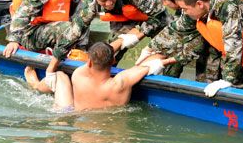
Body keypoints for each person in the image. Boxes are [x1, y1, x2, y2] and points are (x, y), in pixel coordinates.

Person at [24, 42, 165, 112]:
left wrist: (122, 40)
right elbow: (149, 65)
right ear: (113, 61)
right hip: (109, 124)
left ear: (89, 62)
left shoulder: (79, 75)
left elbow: (95, 59)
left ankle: (36, 85)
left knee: (59, 76)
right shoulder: (121, 83)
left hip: (68, 114)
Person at [135, 0, 214, 81]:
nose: (163, 4)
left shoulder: (196, 6)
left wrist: (154, 51)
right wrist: (149, 48)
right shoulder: (186, 8)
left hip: (220, 40)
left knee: (207, 75)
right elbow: (174, 30)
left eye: (164, 0)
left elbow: (178, 32)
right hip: (206, 35)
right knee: (172, 47)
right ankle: (167, 79)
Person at [87, 0, 169, 61]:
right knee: (110, 53)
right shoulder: (92, 1)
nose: (109, 3)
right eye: (103, 0)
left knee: (168, 45)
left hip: (152, 10)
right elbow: (80, 23)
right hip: (127, 13)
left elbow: (158, 15)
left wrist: (135, 35)